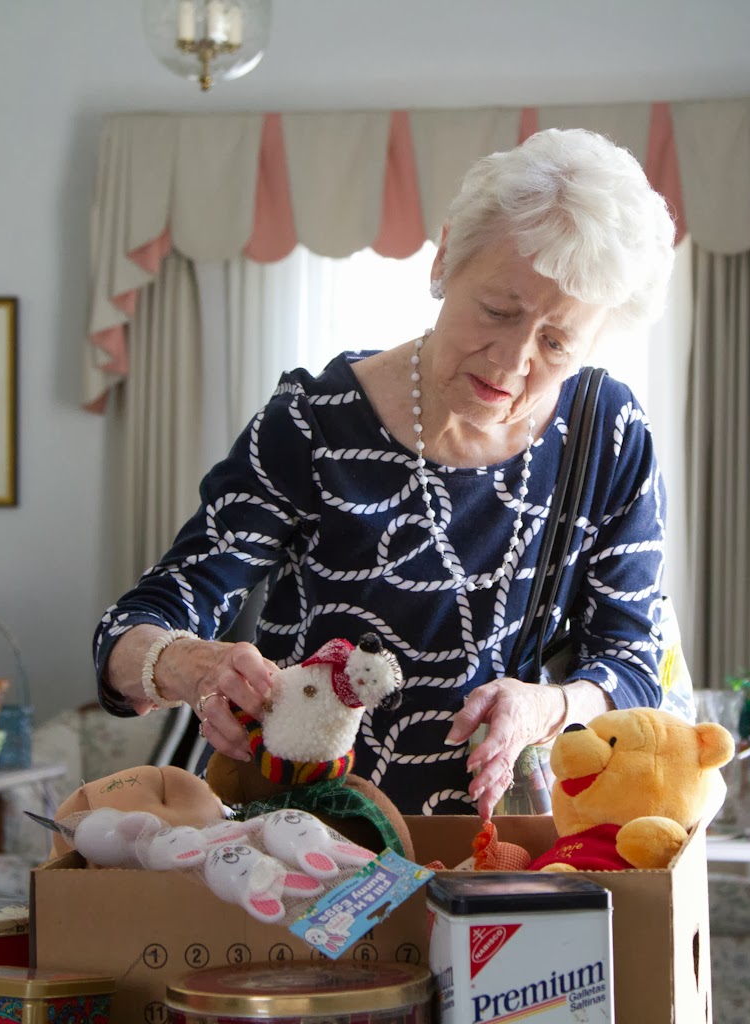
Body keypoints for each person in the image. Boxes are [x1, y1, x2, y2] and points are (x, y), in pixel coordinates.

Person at [94, 127, 676, 819]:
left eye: (556, 342)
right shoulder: (315, 423)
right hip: (309, 844)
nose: (512, 360)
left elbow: (634, 668)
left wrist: (551, 706)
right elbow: (134, 626)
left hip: (499, 850)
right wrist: (193, 666)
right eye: (497, 311)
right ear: (444, 260)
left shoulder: (608, 434)